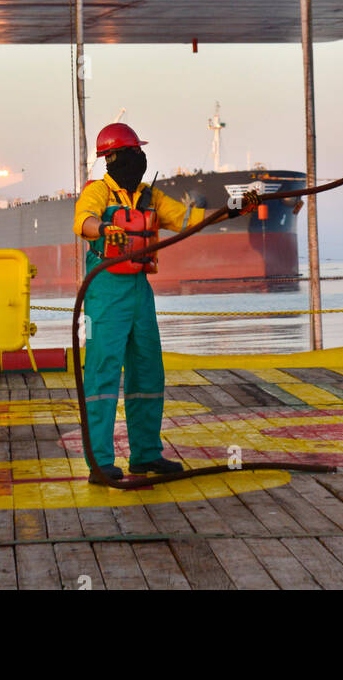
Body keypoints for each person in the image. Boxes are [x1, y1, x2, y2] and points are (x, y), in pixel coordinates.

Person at [73, 121, 207, 482]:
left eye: (139, 152)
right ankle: (100, 462)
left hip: (139, 293)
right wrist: (102, 228)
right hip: (105, 291)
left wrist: (231, 210)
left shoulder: (151, 197)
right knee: (102, 374)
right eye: (133, 152)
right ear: (112, 157)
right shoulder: (98, 192)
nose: (139, 158)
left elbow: (186, 219)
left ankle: (146, 454)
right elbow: (82, 221)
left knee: (148, 371)